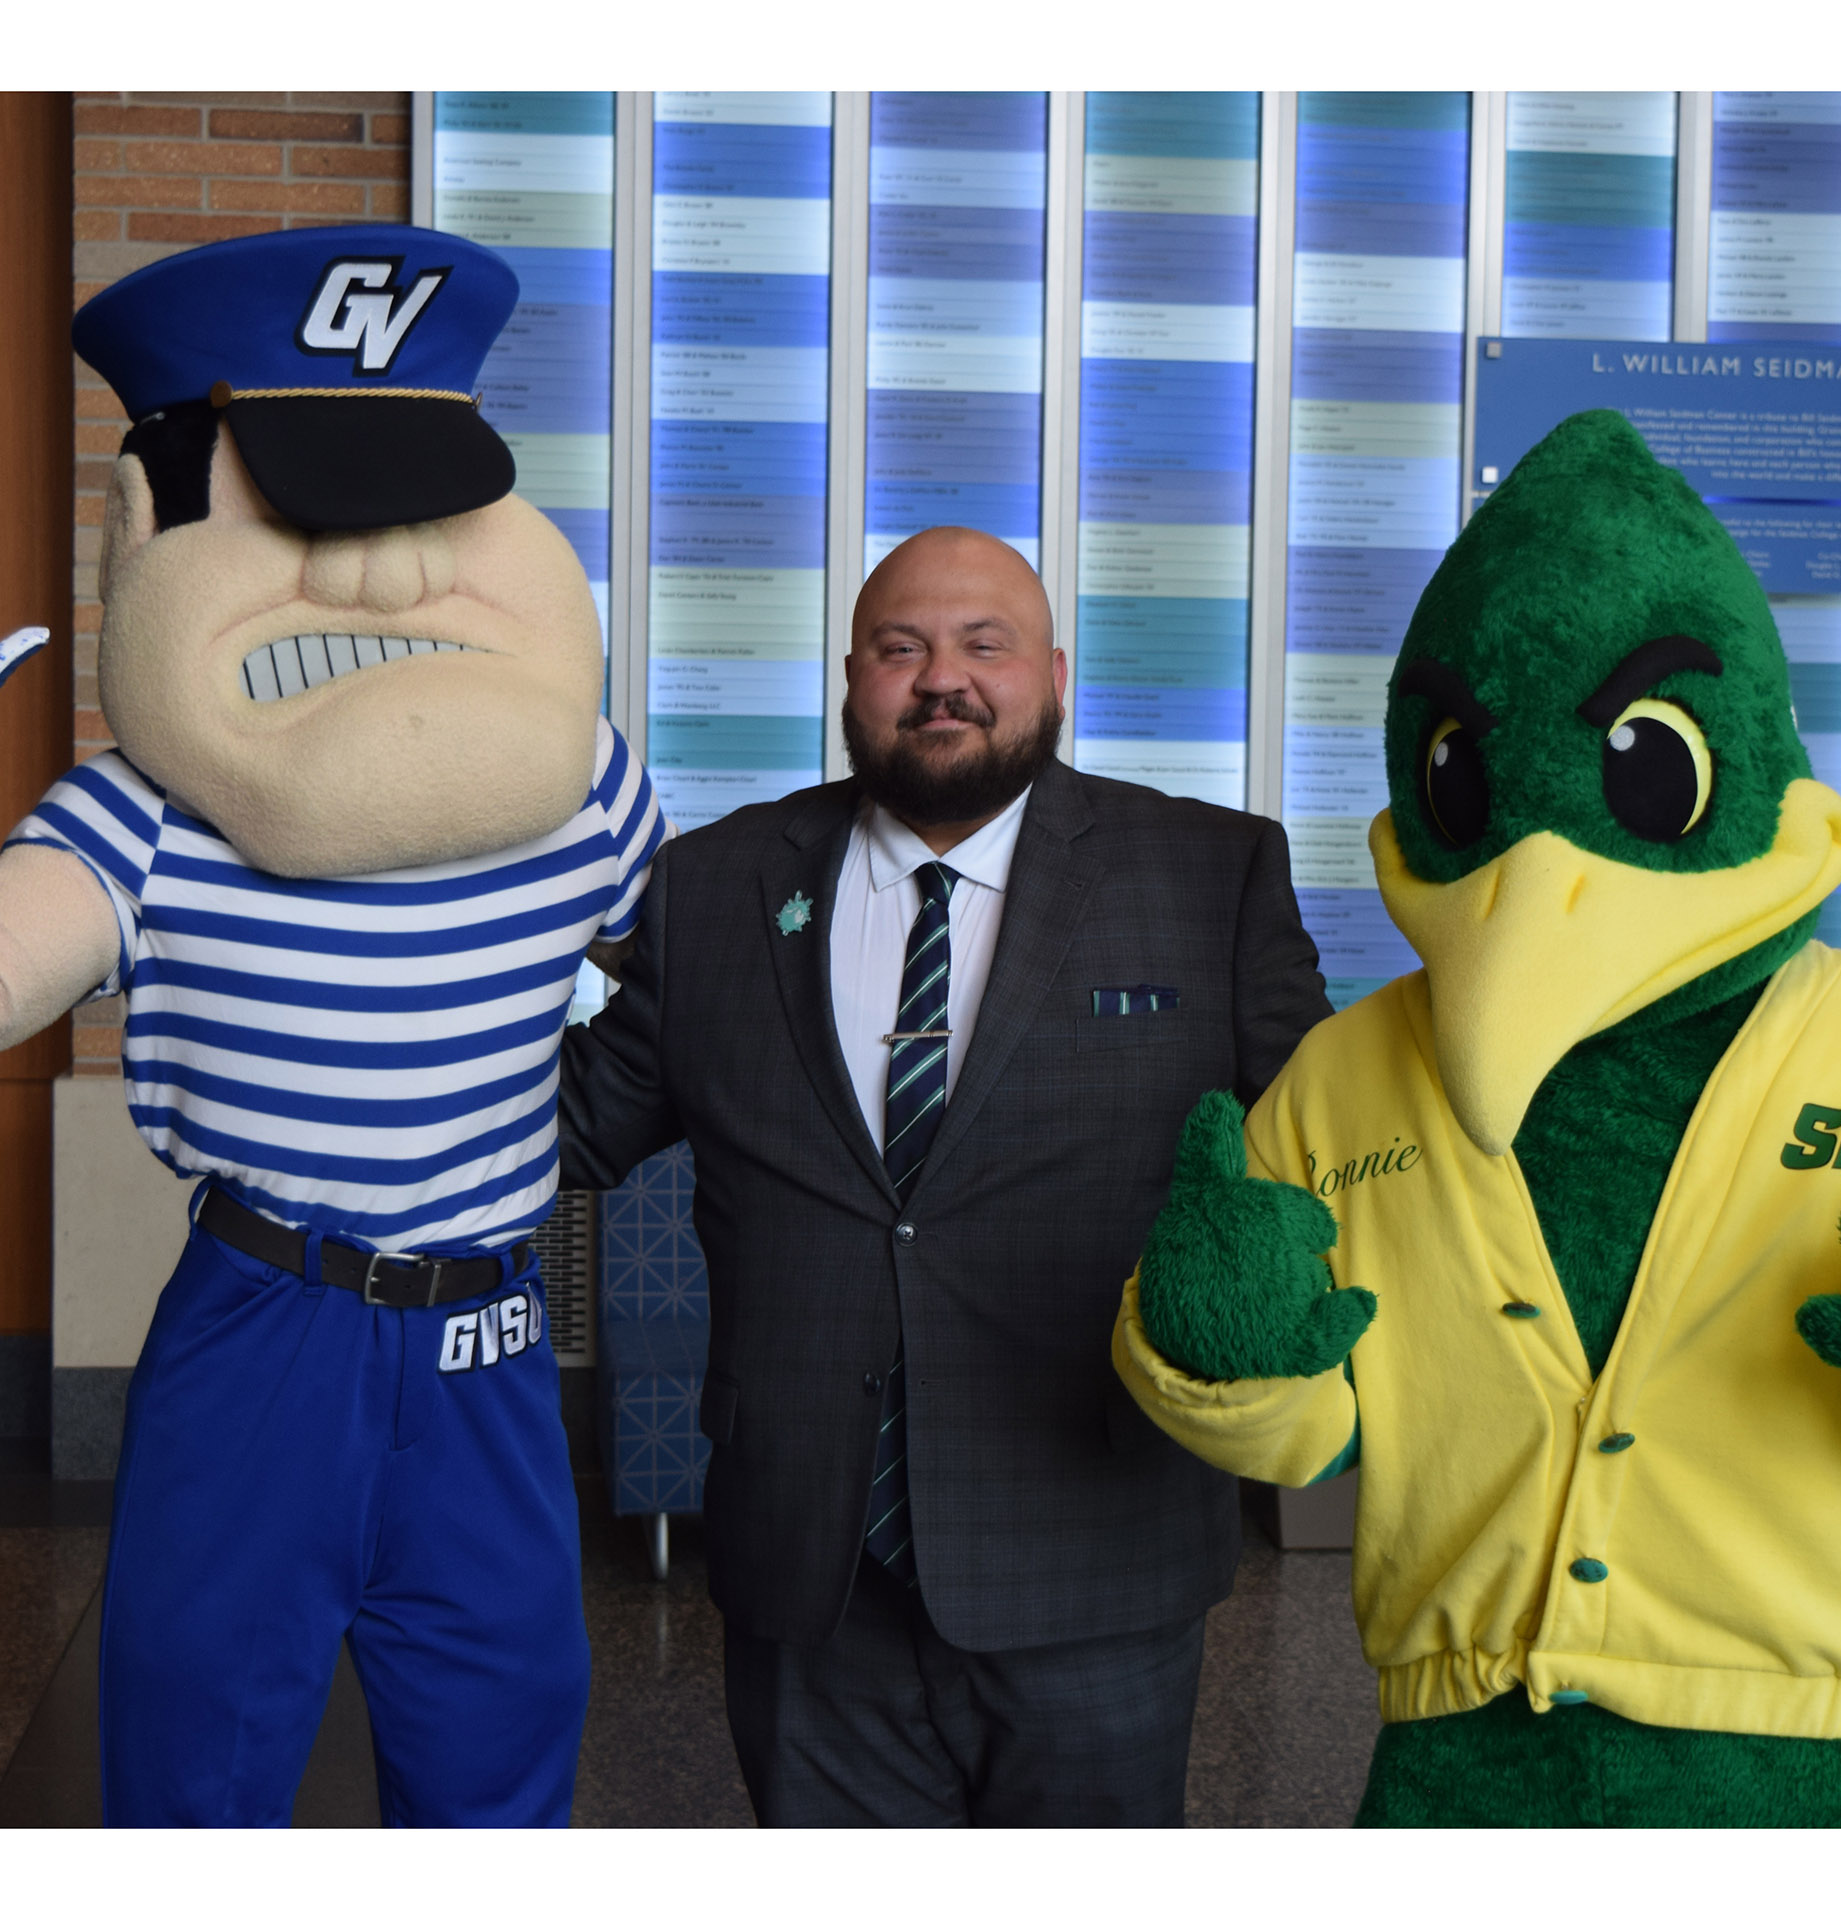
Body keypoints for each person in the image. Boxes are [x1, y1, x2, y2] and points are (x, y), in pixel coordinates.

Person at [1, 226, 669, 1825]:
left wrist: (574, 1129)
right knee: (193, 1764)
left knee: (503, 1746)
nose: (376, 565)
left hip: (491, 1339)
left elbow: (702, 988)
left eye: (424, 502)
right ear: (143, 521)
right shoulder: (145, 814)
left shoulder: (587, 786)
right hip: (265, 1332)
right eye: (304, 507)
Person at [558, 525, 1330, 1825]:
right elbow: (570, 1128)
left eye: (987, 644)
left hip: (1096, 1559)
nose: (942, 680)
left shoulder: (1209, 873)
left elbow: (1326, 1146)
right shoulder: (714, 888)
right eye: (901, 647)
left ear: (1056, 673)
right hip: (810, 1569)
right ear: (849, 675)